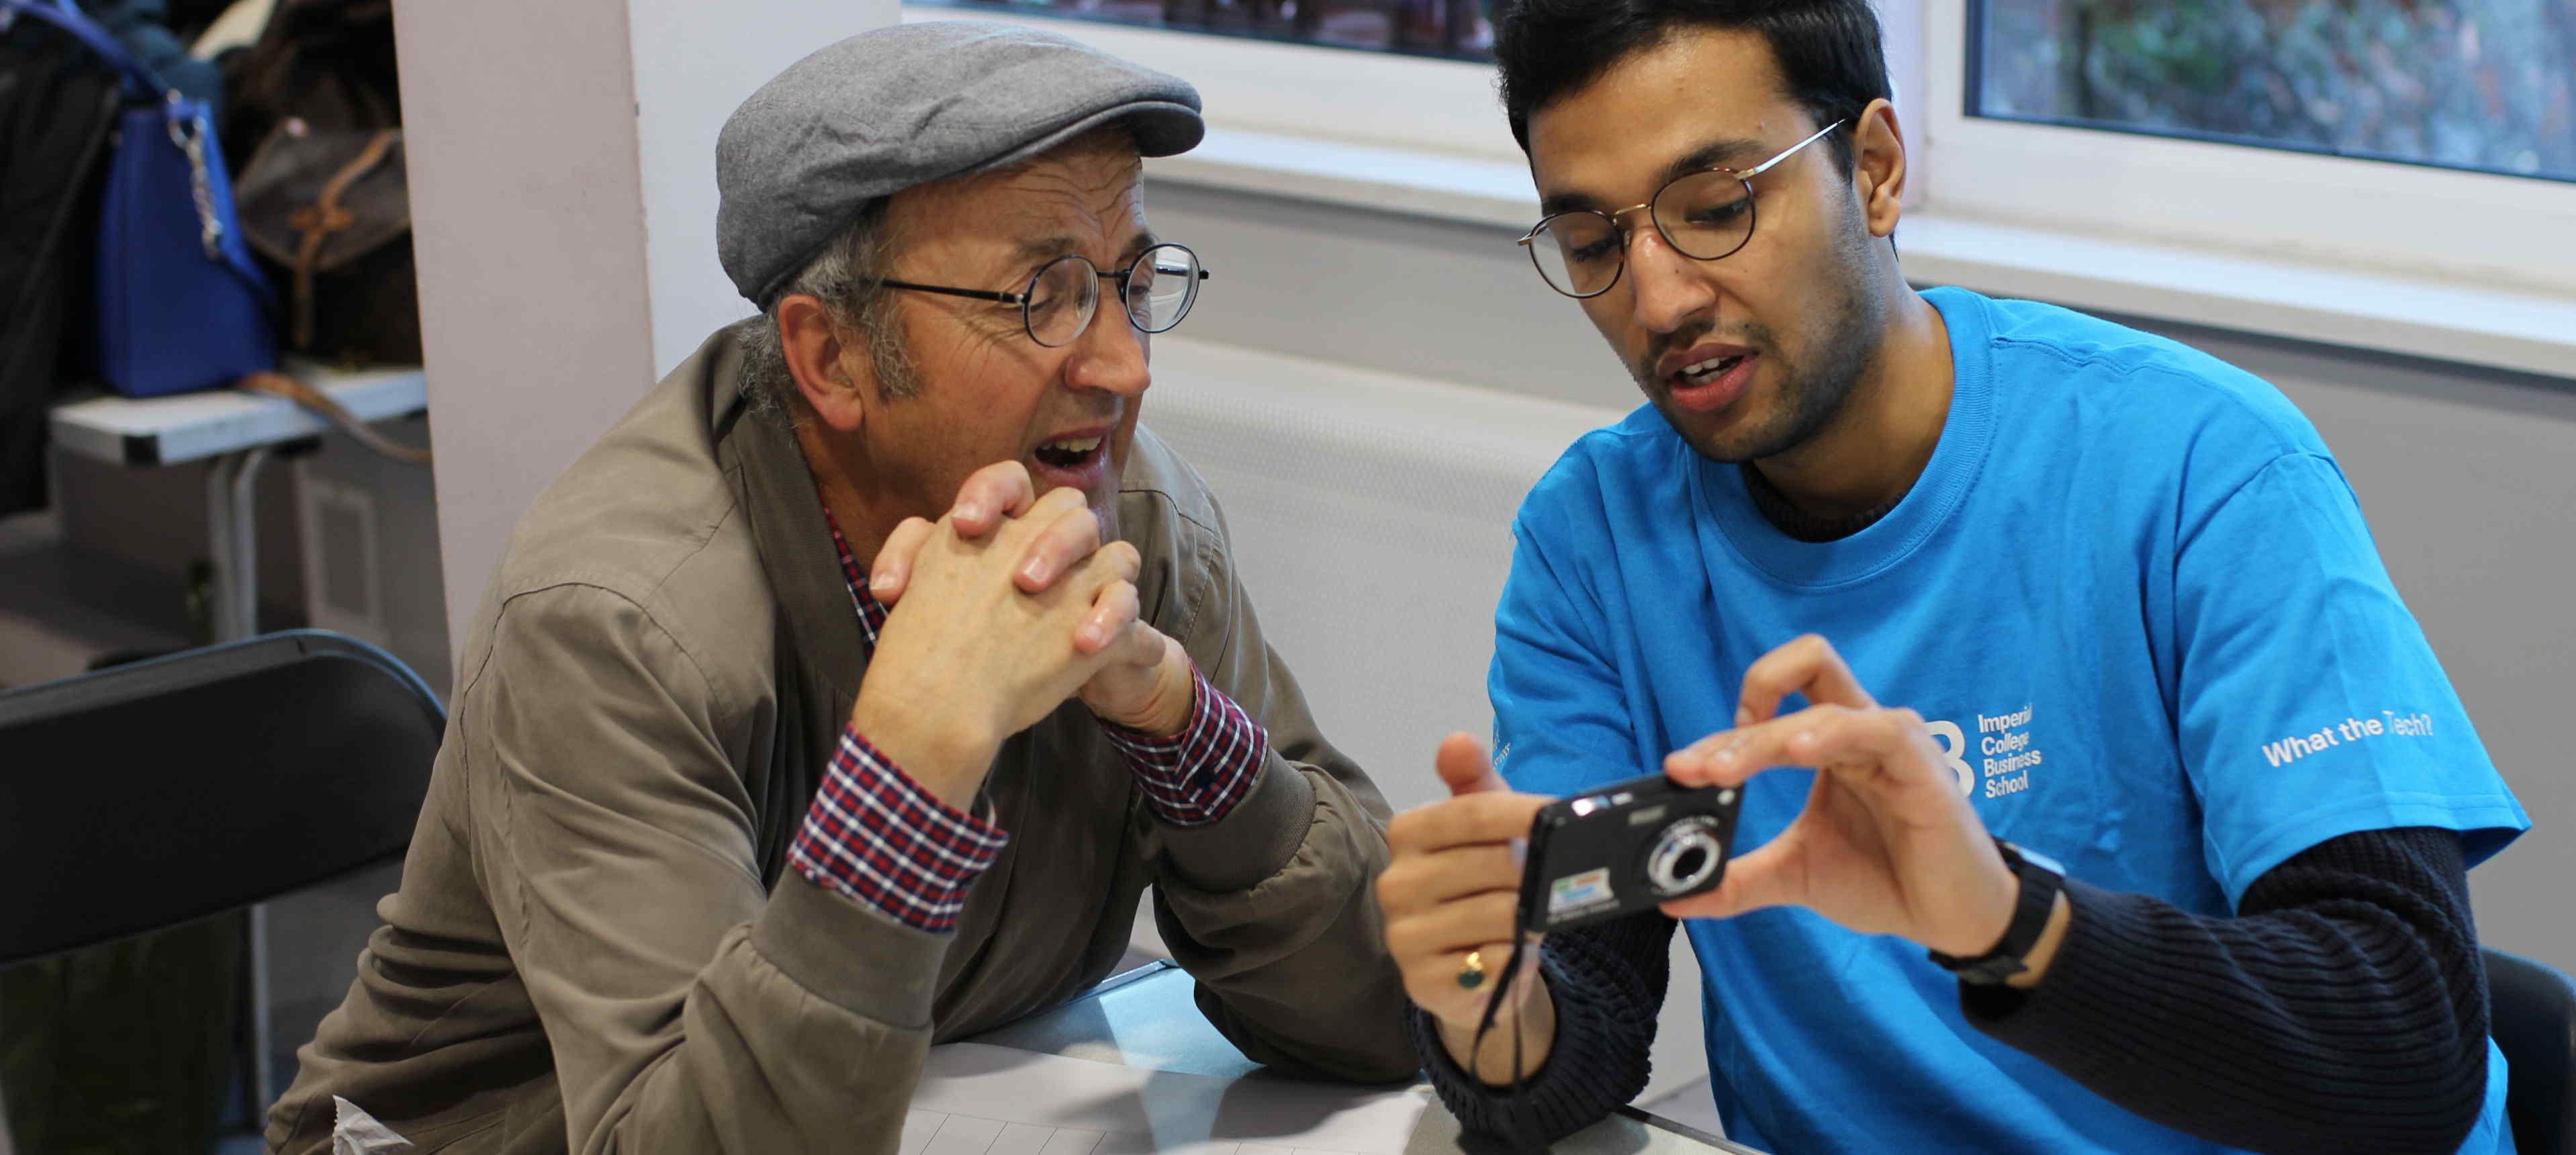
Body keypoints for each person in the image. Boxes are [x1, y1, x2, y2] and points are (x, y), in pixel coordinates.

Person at [1373, 1, 2534, 1151]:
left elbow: (2405, 1045)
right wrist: (1495, 1008)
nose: (1661, 299)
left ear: (1874, 170)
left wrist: (2006, 923)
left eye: (1718, 210)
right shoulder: (1599, 543)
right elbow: (1581, 1021)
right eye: (1593, 245)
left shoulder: (2200, 468)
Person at [267, 22, 1414, 1154]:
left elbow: (1390, 1018)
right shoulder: (617, 623)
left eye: (1128, 281)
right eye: (1044, 295)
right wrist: (914, 765)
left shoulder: (1137, 525)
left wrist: (1182, 727)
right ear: (829, 358)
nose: (1125, 364)